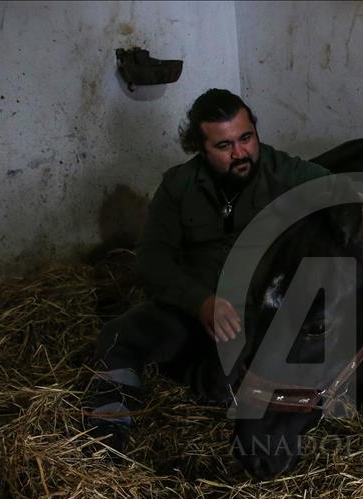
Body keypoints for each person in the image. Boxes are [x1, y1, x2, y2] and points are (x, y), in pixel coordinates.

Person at [83, 88, 344, 452]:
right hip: (192, 304)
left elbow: (338, 189)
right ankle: (109, 431)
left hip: (252, 315)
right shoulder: (178, 185)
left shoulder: (281, 170)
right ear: (200, 148)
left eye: (246, 138)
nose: (240, 153)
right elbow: (152, 260)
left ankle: (195, 374)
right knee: (117, 336)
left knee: (222, 385)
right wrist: (201, 302)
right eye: (224, 146)